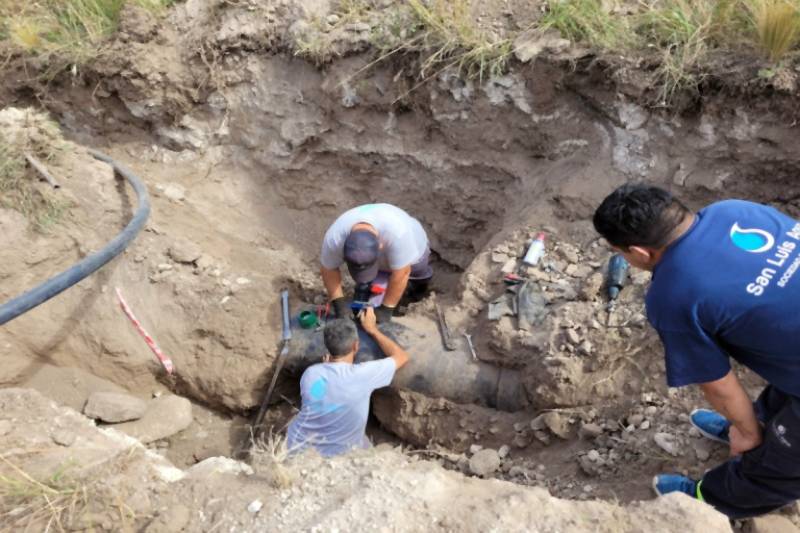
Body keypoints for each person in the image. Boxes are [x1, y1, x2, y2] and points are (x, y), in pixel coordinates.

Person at [593, 184, 800, 519]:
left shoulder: (673, 294)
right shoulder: (734, 210)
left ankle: (709, 502)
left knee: (778, 470)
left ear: (640, 253)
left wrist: (745, 435)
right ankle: (763, 425)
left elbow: (718, 383)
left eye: (622, 254)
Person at [286, 307, 409, 457]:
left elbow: (325, 392)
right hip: (339, 456)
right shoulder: (363, 375)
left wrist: (326, 366)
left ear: (327, 346)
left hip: (297, 445)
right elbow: (401, 357)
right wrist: (373, 330)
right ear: (356, 346)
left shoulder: (311, 373)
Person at [320, 203, 432, 323]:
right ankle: (377, 287)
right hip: (381, 255)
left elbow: (403, 273)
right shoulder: (335, 239)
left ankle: (415, 294)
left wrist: (386, 308)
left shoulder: (398, 234)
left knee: (411, 285)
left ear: (380, 245)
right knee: (370, 294)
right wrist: (339, 305)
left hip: (414, 252)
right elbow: (328, 268)